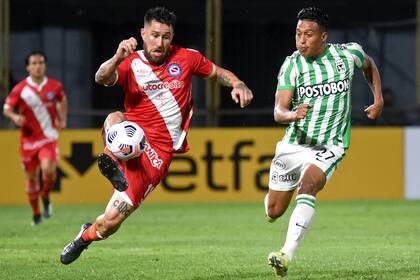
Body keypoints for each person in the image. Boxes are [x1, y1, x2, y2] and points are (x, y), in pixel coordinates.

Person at [60, 6, 253, 265]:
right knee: (115, 118)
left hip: (158, 152)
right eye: (154, 35)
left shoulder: (187, 58)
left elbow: (218, 73)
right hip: (132, 132)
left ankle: (85, 236)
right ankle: (111, 161)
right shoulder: (130, 62)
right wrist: (117, 57)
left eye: (165, 36)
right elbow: (100, 77)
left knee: (110, 222)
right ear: (143, 34)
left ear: (172, 37)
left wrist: (238, 83)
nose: (159, 42)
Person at [265, 6, 383, 277]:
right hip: (294, 144)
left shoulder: (347, 54)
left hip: (332, 144)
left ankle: (285, 255)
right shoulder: (292, 65)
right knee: (273, 211)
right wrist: (293, 114)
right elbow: (278, 111)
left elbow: (369, 65)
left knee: (308, 185)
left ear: (324, 37)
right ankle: (272, 204)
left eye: (308, 34)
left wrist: (378, 99)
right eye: (297, 34)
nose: (301, 40)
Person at [3, 51, 68, 225]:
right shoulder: (21, 88)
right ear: (28, 67)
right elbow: (7, 108)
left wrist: (62, 118)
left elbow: (62, 100)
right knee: (31, 179)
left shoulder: (55, 86)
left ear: (45, 65)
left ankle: (45, 196)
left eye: (40, 63)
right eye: (34, 63)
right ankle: (36, 213)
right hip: (28, 140)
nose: (38, 66)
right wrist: (14, 117)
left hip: (48, 137)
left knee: (48, 170)